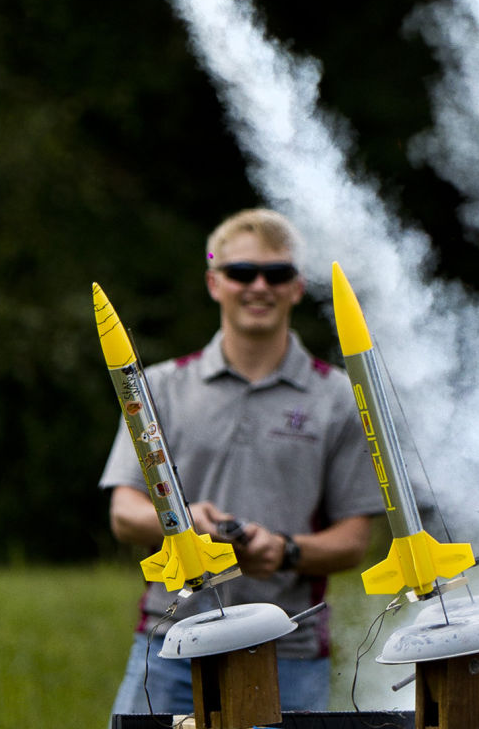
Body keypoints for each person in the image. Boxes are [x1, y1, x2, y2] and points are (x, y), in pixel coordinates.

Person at [102, 207, 382, 720]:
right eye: (240, 273)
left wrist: (286, 551)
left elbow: (354, 540)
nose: (259, 286)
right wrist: (187, 525)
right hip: (172, 645)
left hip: (288, 650)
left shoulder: (338, 396)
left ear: (297, 287)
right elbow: (124, 512)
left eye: (276, 274)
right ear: (214, 281)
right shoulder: (159, 387)